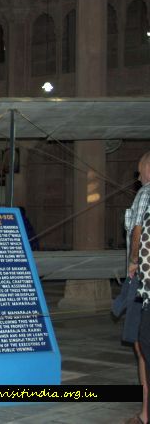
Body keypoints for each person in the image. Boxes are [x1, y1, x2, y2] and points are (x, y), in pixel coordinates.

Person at [125, 152, 150, 424]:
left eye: (141, 170)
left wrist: (134, 262)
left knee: (142, 345)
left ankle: (145, 413)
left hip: (144, 283)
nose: (138, 177)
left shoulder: (146, 192)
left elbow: (138, 230)